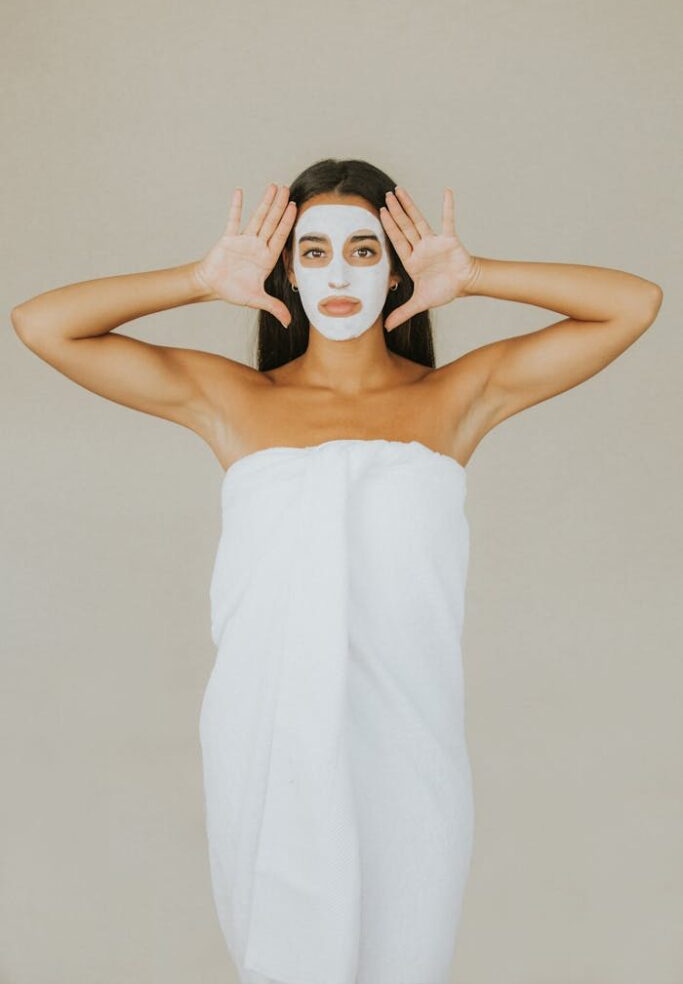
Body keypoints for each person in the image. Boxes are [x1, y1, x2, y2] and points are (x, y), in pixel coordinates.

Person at [11, 157, 662, 984]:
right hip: (266, 738)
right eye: (313, 253)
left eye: (363, 249)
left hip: (409, 740)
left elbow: (633, 303)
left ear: (395, 271)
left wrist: (476, 275)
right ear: (284, 271)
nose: (340, 273)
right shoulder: (235, 400)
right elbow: (41, 324)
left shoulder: (457, 396)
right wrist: (200, 279)